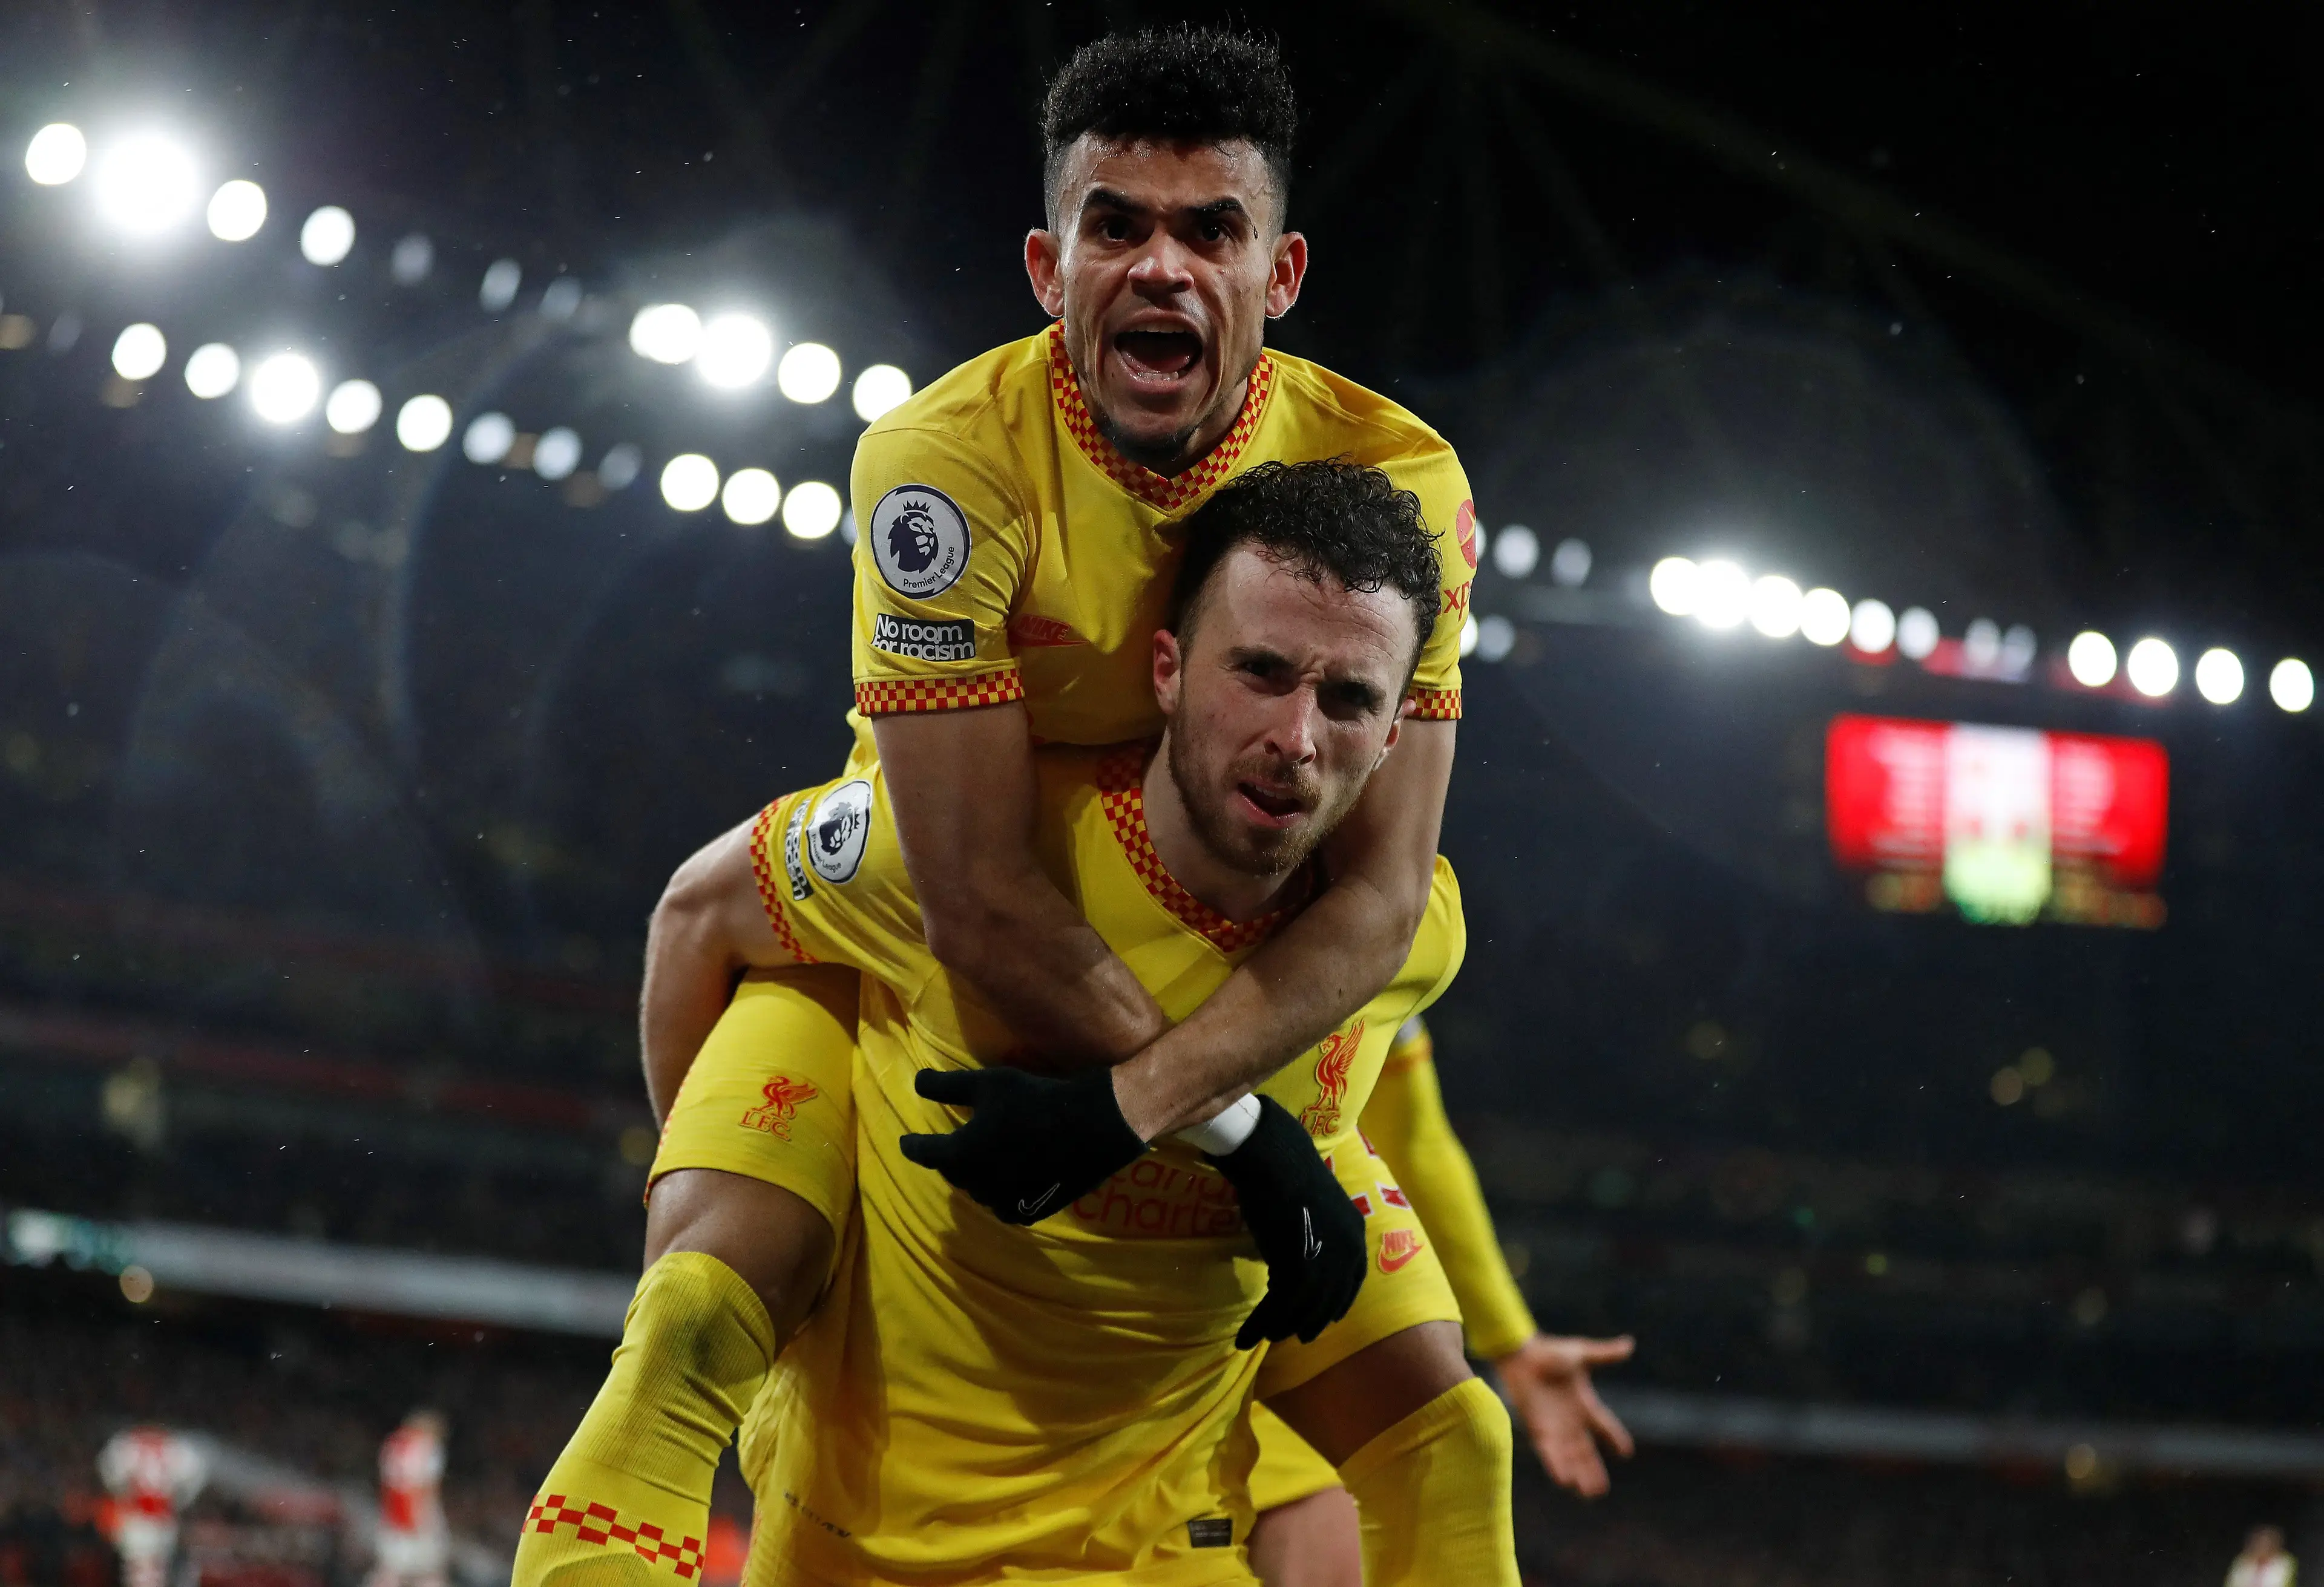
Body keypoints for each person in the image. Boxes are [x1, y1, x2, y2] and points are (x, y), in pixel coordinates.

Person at [635, 22, 1476, 1387]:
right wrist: (1242, 1134)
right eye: (1117, 226)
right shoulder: (944, 464)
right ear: (1049, 268)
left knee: (1453, 1417)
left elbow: (1382, 895)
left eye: (1213, 231)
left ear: (1283, 272)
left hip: (1189, 891)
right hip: (942, 880)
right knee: (692, 1283)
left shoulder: (1402, 480)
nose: (1163, 266)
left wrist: (1145, 1106)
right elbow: (968, 886)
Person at [522, 461, 1514, 1585]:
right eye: (1263, 672)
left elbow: (1394, 1133)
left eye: (1348, 700)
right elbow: (699, 912)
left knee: (1462, 1437)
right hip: (865, 1514)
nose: (1297, 735)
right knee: (697, 1307)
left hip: (1153, 1530)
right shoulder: (955, 845)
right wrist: (726, 1181)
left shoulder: (1408, 936)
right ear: (1168, 671)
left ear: (1395, 738)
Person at [1244, 1015, 1636, 1585]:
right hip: (1097, 1338)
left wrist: (1511, 1339)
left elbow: (1412, 1136)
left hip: (1267, 1352)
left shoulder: (1397, 939)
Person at [96, 1425, 205, 1587]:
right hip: (152, 1516)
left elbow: (110, 1476)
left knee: (146, 1569)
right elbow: (195, 1478)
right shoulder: (177, 1448)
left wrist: (123, 1494)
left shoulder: (125, 1445)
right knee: (148, 1569)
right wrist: (180, 1500)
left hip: (142, 1516)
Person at [367, 1411, 449, 1587]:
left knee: (390, 1571)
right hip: (418, 1514)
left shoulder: (392, 1444)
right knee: (431, 1573)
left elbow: (386, 1484)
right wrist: (426, 1522)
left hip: (392, 1516)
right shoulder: (428, 1446)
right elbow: (429, 1489)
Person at [2230, 1526, 2297, 1587]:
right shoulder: (2241, 1563)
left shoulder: (2285, 1564)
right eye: (2259, 1543)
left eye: (2267, 1543)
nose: (2263, 1547)